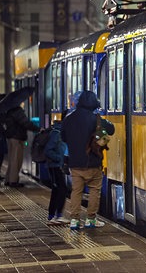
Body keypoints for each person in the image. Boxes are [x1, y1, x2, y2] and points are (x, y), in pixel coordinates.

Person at [61, 91, 114, 230]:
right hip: (93, 161)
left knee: (76, 191)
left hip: (75, 163)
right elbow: (111, 129)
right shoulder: (95, 119)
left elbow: (64, 137)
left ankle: (74, 220)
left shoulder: (68, 119)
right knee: (94, 190)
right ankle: (91, 219)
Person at [4, 102, 40, 187]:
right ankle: (13, 181)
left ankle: (8, 179)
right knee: (16, 160)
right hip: (17, 138)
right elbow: (25, 123)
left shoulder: (9, 111)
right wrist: (38, 129)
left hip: (11, 137)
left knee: (12, 159)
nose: (23, 103)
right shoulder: (17, 111)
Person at [44, 116, 70, 225]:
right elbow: (48, 150)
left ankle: (53, 216)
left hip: (57, 166)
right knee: (61, 189)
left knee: (57, 190)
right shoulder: (56, 133)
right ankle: (57, 215)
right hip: (55, 166)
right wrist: (59, 159)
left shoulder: (61, 132)